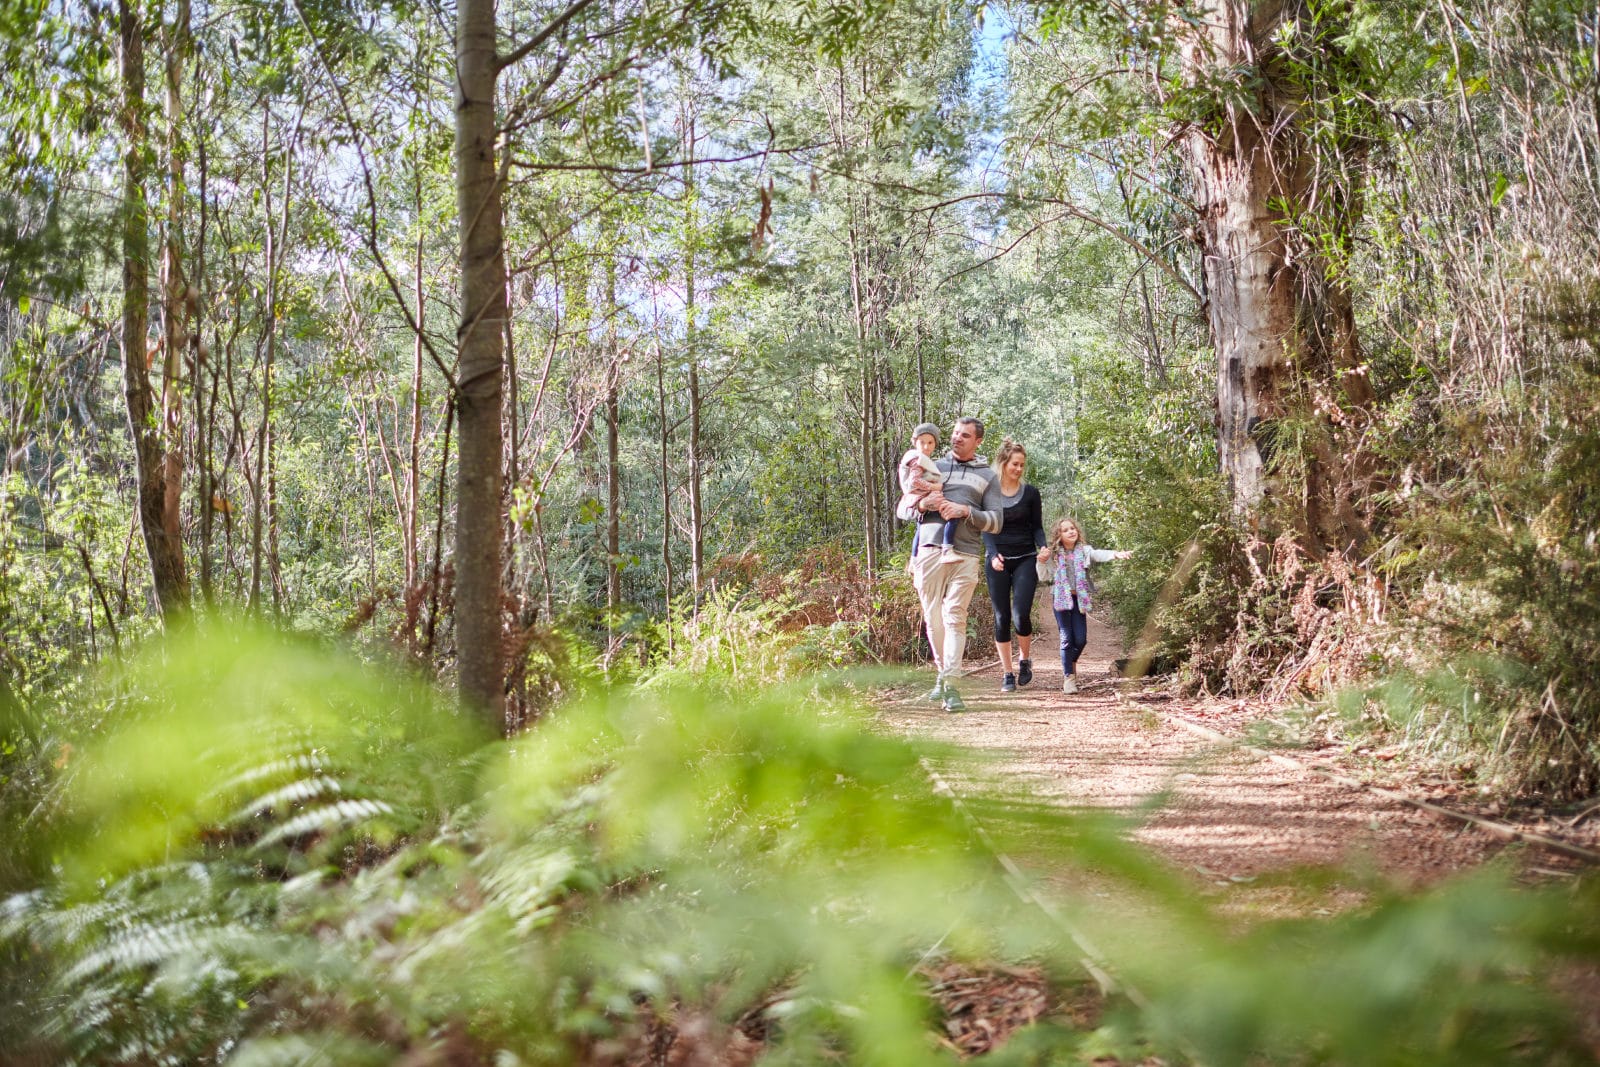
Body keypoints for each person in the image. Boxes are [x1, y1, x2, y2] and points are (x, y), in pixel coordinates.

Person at [898, 416, 1007, 712]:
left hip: (966, 553)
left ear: (978, 441)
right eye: (955, 434)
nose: (957, 439)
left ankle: (952, 686)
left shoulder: (988, 476)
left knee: (955, 616)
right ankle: (942, 674)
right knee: (933, 618)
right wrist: (922, 505)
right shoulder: (933, 464)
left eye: (965, 435)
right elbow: (903, 507)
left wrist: (967, 511)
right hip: (929, 549)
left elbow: (997, 522)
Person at [981, 439, 1046, 693]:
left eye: (1022, 465)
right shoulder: (990, 492)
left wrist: (1043, 546)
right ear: (1003, 463)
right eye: (1014, 464)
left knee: (1020, 614)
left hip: (1026, 558)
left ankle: (1025, 659)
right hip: (997, 560)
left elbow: (1037, 527)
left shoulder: (1030, 493)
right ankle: (1007, 672)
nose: (1019, 469)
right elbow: (986, 527)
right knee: (1001, 617)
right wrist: (993, 554)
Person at [1043, 517, 1131, 694]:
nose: (1071, 531)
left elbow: (1099, 554)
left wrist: (1116, 554)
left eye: (1073, 528)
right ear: (1059, 535)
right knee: (1066, 638)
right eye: (1066, 530)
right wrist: (1040, 560)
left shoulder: (1084, 550)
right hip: (1060, 599)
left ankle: (1069, 662)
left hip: (1078, 600)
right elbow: (1043, 576)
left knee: (1081, 640)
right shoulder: (1054, 554)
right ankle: (1069, 677)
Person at [896, 423, 960, 563]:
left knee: (920, 527)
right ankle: (947, 549)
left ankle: (914, 558)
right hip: (920, 496)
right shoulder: (917, 460)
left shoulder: (921, 459)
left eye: (930, 442)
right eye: (922, 442)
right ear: (915, 442)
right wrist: (934, 487)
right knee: (952, 515)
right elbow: (914, 481)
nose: (926, 446)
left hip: (918, 497)